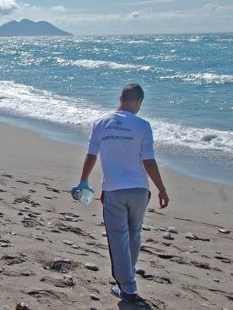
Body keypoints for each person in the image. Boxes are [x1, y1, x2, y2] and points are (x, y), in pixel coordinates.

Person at [71, 83, 168, 306]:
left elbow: (91, 155)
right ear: (137, 102)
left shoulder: (101, 123)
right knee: (133, 234)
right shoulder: (143, 125)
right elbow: (149, 161)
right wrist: (161, 189)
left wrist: (84, 180)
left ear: (121, 98)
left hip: (114, 190)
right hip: (139, 190)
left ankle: (127, 287)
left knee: (118, 238)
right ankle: (128, 281)